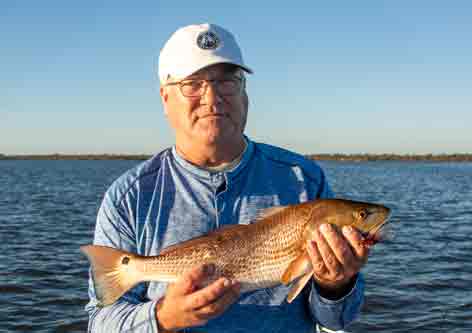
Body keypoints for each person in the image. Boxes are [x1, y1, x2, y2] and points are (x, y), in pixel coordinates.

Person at [85, 23, 369, 333]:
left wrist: (335, 286)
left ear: (245, 93)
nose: (212, 97)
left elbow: (336, 320)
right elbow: (100, 323)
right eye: (192, 83)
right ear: (165, 99)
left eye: (227, 81)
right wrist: (164, 317)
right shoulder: (128, 197)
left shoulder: (305, 178)